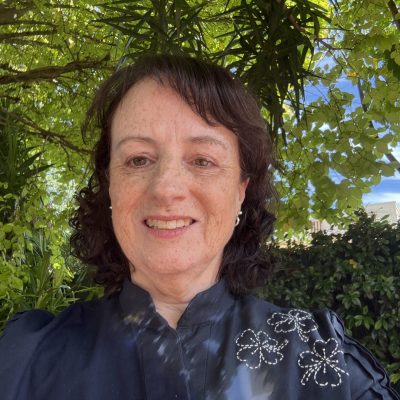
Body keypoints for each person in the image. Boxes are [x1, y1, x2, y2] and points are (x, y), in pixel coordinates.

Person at [0, 54, 398, 400]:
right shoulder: (26, 360)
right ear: (111, 187)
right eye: (138, 159)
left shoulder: (322, 359)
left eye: (203, 160)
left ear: (241, 192)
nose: (166, 188)